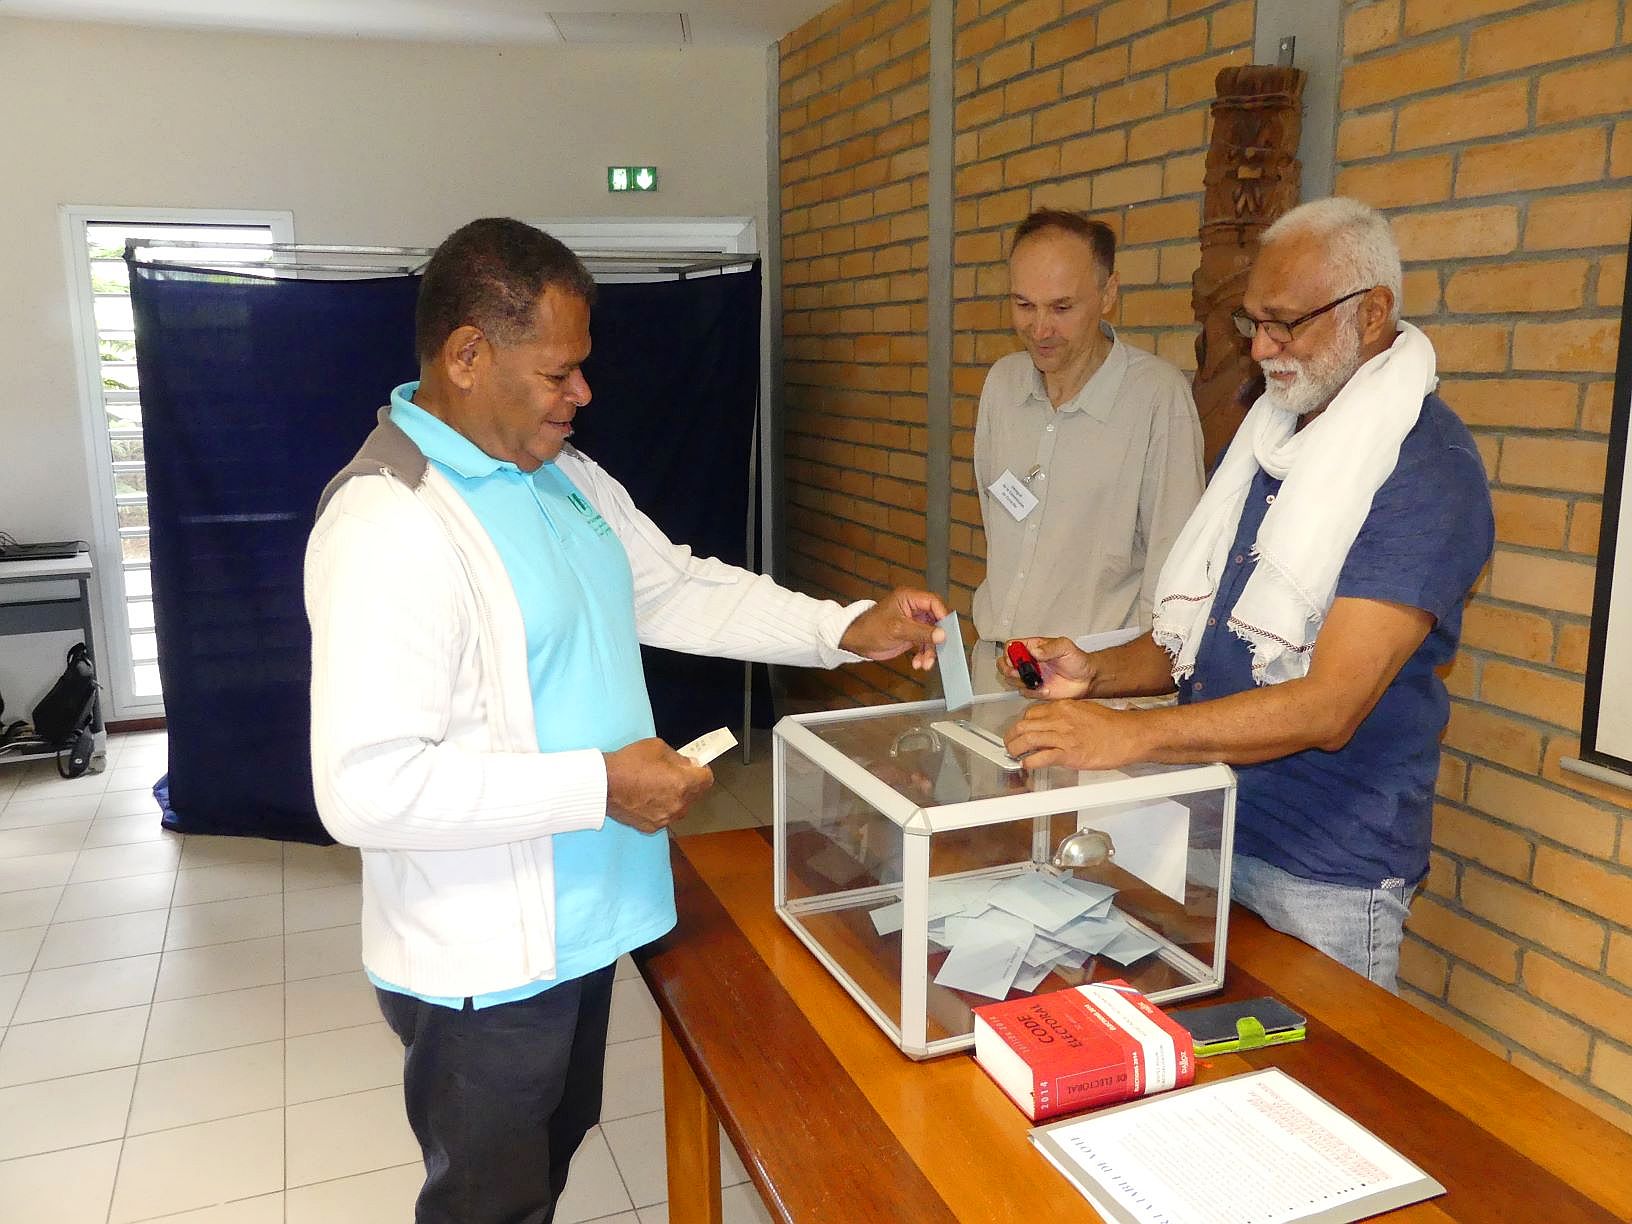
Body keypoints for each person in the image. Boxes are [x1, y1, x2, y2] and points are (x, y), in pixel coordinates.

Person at [304, 217, 948, 1224]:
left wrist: (844, 629)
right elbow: (364, 785)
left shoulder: (558, 474)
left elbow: (677, 588)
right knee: (488, 1205)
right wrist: (600, 783)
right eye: (560, 372)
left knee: (548, 1166)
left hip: (582, 914)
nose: (583, 394)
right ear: (469, 355)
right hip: (484, 961)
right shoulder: (391, 521)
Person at [1000, 197, 1494, 993]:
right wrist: (1097, 673)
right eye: (1251, 322)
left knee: (1324, 1099)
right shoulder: (1270, 438)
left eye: (1284, 324)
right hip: (1208, 824)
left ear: (1371, 314)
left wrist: (1130, 740)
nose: (1261, 348)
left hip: (1326, 866)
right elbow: (1196, 642)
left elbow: (1330, 706)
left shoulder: (1426, 470)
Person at [971, 208, 1204, 687]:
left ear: (1108, 294)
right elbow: (999, 528)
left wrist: (1141, 691)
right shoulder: (1002, 385)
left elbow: (1172, 574)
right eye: (1023, 305)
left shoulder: (1157, 397)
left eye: (1061, 308)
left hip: (1093, 689)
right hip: (996, 674)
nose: (1039, 329)